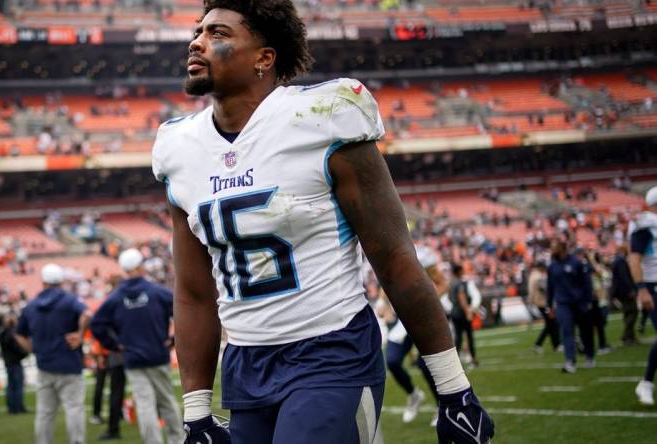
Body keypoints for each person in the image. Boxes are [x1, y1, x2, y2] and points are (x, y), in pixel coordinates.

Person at [153, 1, 494, 443]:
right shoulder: (178, 147)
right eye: (198, 31)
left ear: (264, 58)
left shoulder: (323, 117)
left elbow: (393, 258)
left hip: (332, 351)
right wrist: (196, 413)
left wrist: (454, 390)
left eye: (218, 33)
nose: (196, 41)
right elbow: (195, 293)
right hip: (245, 364)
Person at [90, 248, 183, 444]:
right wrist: (175, 339)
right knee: (166, 401)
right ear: (140, 267)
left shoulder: (115, 298)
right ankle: (178, 440)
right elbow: (182, 309)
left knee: (145, 404)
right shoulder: (157, 292)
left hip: (132, 358)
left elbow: (96, 324)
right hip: (158, 354)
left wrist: (114, 345)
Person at [15, 263, 92, 444]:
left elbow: (19, 334)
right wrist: (80, 334)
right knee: (74, 409)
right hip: (69, 365)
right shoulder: (69, 300)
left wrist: (32, 349)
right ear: (61, 281)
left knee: (45, 413)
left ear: (43, 282)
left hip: (44, 365)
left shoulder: (31, 305)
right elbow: (87, 314)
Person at [376, 246, 443, 425]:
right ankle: (413, 395)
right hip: (404, 319)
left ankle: (441, 406)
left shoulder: (425, 257)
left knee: (426, 365)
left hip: (426, 318)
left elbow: (442, 282)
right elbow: (388, 280)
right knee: (392, 361)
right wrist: (382, 302)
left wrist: (430, 300)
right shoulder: (397, 256)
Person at [547, 240, 595, 373]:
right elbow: (550, 287)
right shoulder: (552, 266)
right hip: (563, 304)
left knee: (585, 331)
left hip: (579, 302)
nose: (552, 249)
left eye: (554, 246)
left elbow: (586, 282)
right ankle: (570, 360)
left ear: (562, 247)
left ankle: (589, 355)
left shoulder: (576, 262)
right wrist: (549, 305)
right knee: (566, 331)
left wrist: (588, 300)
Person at [631, 186, 657, 406]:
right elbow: (634, 259)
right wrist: (642, 288)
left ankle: (646, 383)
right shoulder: (646, 225)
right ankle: (646, 383)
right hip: (652, 286)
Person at [0, 313, 29, 414]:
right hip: (14, 362)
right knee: (17, 386)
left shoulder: (1, 333)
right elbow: (16, 348)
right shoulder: (10, 334)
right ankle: (18, 407)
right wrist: (25, 353)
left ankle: (12, 407)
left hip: (9, 362)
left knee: (11, 386)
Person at [449, 263, 478, 367]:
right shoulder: (460, 283)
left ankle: (456, 362)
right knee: (469, 337)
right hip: (461, 313)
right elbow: (462, 298)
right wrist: (467, 312)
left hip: (454, 312)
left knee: (458, 338)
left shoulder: (451, 283)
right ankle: (473, 359)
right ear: (459, 271)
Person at [529, 262, 560, 353]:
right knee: (552, 324)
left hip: (539, 302)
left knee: (550, 324)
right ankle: (553, 345)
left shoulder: (533, 275)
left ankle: (553, 345)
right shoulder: (538, 276)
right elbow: (544, 289)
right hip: (543, 303)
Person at [611, 244, 638, 345]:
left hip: (620, 291)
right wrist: (631, 289)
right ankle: (626, 335)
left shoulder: (616, 260)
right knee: (633, 312)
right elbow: (624, 277)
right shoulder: (621, 261)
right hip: (625, 291)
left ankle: (631, 336)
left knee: (628, 313)